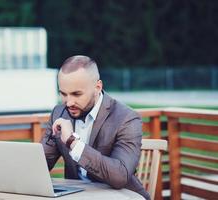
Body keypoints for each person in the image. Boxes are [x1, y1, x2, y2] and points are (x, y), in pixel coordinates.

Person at [41, 55, 150, 200]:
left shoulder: (127, 118)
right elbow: (40, 164)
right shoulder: (58, 113)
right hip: (79, 197)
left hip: (123, 196)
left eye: (76, 94)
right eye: (63, 94)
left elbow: (120, 176)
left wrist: (73, 142)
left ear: (98, 87)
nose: (68, 103)